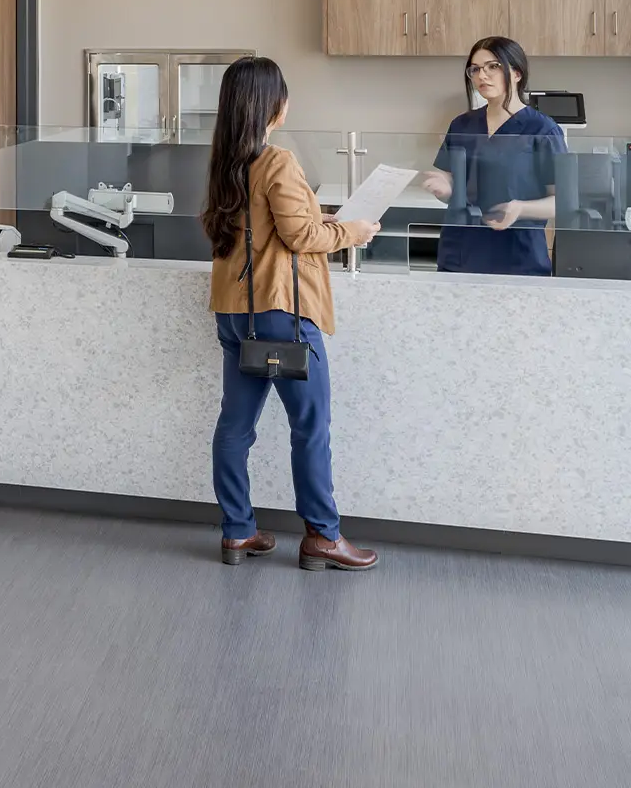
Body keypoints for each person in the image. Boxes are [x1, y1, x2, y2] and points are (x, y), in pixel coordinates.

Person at [201, 56, 382, 571]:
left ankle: (238, 532)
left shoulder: (226, 159)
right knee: (311, 426)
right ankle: (323, 536)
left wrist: (317, 217)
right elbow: (300, 237)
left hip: (235, 313)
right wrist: (353, 232)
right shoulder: (276, 159)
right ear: (271, 104)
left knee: (235, 425)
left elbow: (267, 223)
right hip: (280, 312)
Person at [418, 35, 565, 276]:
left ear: (517, 73)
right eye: (475, 69)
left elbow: (562, 202)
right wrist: (444, 189)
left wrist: (520, 208)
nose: (481, 76)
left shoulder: (542, 130)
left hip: (516, 256)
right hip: (459, 254)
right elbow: (450, 181)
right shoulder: (462, 124)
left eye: (493, 67)